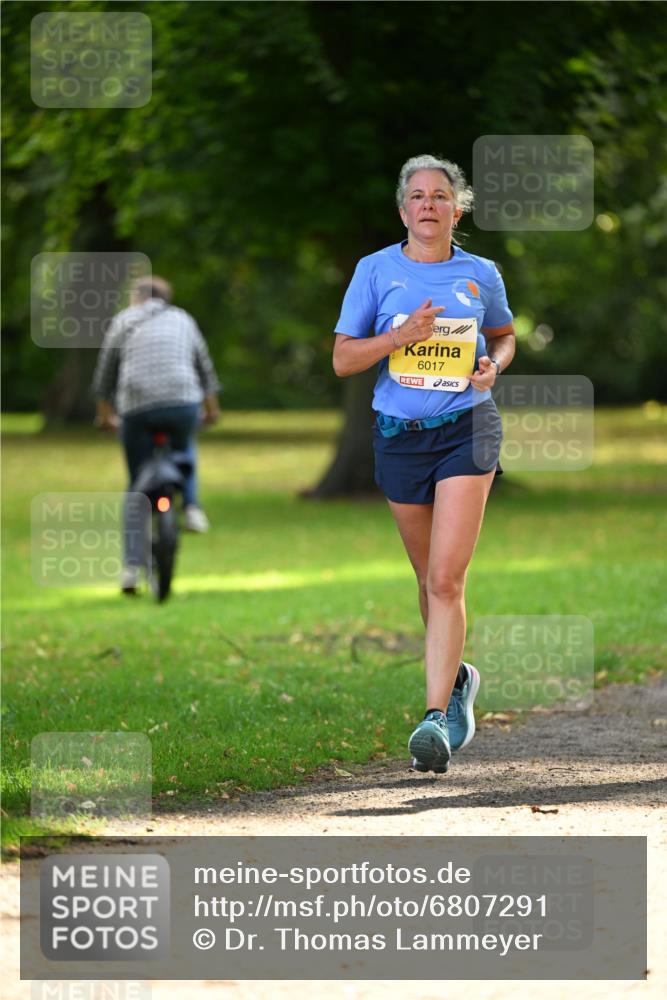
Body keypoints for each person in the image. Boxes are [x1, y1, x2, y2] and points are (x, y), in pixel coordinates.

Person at [332, 154, 515, 773]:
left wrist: (495, 364)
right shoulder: (374, 271)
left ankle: (435, 720)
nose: (428, 204)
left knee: (445, 579)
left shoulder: (480, 272)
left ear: (457, 209)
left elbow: (504, 334)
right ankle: (458, 676)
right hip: (398, 435)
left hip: (468, 428)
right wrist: (397, 338)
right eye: (417, 195)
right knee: (425, 580)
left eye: (441, 195)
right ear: (403, 209)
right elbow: (344, 360)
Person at [92, 275, 221, 593]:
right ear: (166, 297)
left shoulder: (123, 320)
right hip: (182, 400)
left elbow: (105, 373)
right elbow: (204, 369)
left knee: (136, 484)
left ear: (137, 297)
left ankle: (131, 569)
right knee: (185, 446)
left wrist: (105, 417)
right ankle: (191, 507)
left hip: (136, 406)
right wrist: (211, 409)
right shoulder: (182, 318)